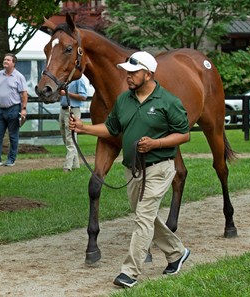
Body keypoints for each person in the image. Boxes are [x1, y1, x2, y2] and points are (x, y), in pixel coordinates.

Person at [69, 51, 191, 288]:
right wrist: (84, 129)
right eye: (127, 72)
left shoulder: (168, 101)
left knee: (143, 218)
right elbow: (111, 128)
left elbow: (183, 134)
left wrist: (156, 143)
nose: (128, 76)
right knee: (144, 215)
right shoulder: (124, 100)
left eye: (133, 72)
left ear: (148, 74)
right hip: (133, 169)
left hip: (159, 168)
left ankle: (130, 272)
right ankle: (177, 253)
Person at [0, 53, 28, 167]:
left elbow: (24, 94)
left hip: (13, 109)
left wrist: (23, 109)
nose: (5, 61)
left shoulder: (19, 77)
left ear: (13, 63)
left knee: (13, 136)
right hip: (0, 110)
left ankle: (11, 159)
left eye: (8, 60)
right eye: (5, 59)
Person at [59, 76, 88, 172]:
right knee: (66, 137)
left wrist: (67, 94)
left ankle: (67, 166)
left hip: (72, 110)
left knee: (70, 138)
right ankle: (76, 164)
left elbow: (83, 96)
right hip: (63, 109)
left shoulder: (79, 80)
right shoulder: (65, 80)